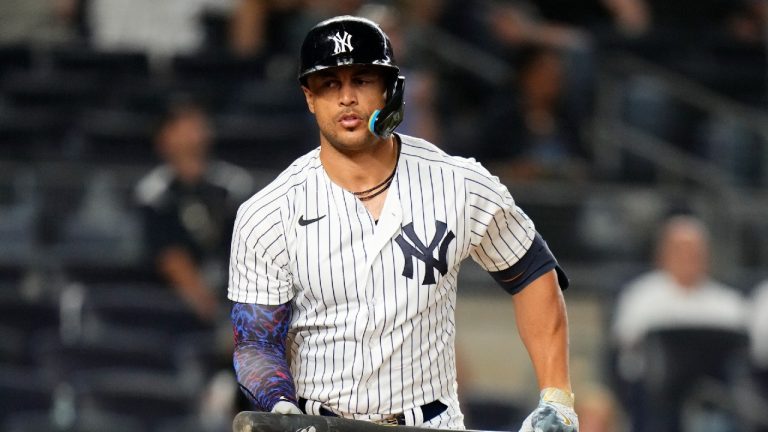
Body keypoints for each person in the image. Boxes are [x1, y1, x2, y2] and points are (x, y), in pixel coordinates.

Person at [228, 16, 577, 431]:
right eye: (329, 84)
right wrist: (280, 404)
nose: (346, 98)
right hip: (321, 424)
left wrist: (556, 395)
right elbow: (255, 340)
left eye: (361, 80)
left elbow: (532, 271)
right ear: (309, 97)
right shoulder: (268, 212)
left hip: (432, 421)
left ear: (389, 88)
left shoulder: (458, 182)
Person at [135, 99, 254, 324]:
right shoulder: (154, 191)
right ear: (163, 137)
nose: (193, 132)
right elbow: (169, 257)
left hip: (238, 291)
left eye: (197, 124)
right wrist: (213, 313)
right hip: (176, 304)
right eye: (181, 125)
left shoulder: (233, 184)